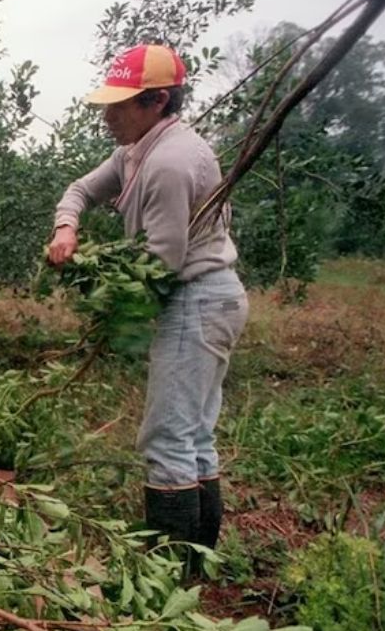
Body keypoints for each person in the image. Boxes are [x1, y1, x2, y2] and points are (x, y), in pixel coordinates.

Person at [46, 44, 249, 569]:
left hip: (195, 298)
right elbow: (80, 188)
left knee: (167, 440)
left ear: (158, 100)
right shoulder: (136, 149)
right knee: (193, 435)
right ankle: (195, 568)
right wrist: (67, 226)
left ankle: (169, 578)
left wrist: (106, 301)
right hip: (209, 296)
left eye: (121, 105)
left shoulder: (170, 164)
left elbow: (159, 268)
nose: (108, 116)